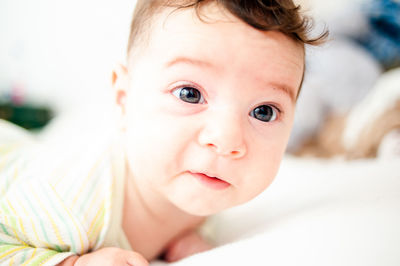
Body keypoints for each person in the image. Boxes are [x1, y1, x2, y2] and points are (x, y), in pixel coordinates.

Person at [0, 0, 326, 265]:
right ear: (123, 99)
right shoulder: (65, 201)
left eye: (263, 112)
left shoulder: (204, 186)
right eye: (190, 94)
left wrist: (183, 240)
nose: (227, 140)